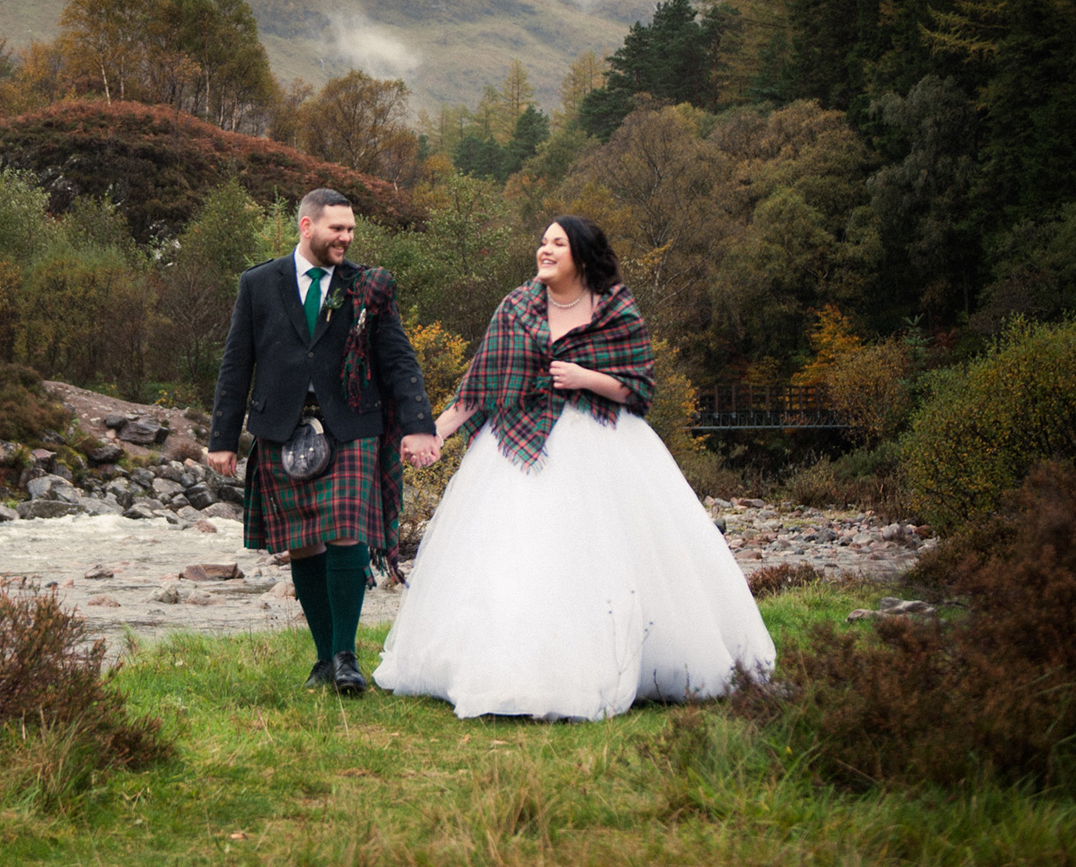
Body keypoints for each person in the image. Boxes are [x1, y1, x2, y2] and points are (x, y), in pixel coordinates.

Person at [372, 216, 774, 719]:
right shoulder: (514, 308)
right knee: (516, 558)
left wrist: (587, 376)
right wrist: (436, 434)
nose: (545, 250)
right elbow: (480, 386)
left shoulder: (615, 307)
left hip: (600, 439)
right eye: (542, 242)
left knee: (600, 554)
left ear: (581, 255)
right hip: (515, 444)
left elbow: (638, 386)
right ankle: (507, 669)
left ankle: (619, 661)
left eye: (557, 244)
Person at [209, 188, 440, 694]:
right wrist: (223, 437)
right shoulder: (258, 283)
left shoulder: (366, 286)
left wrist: (420, 424)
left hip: (351, 422)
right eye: (337, 229)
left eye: (351, 229)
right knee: (303, 544)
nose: (347, 238)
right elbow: (236, 361)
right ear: (307, 227)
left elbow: (398, 358)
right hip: (281, 428)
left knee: (347, 533)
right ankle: (322, 657)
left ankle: (345, 655)